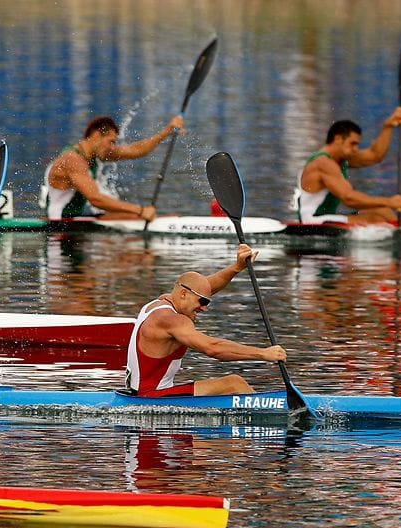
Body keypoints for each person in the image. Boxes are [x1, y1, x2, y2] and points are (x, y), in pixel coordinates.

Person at [125, 244, 287, 397]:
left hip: (143, 391)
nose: (204, 308)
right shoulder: (174, 321)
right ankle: (273, 413)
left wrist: (236, 267)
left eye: (206, 302)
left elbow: (203, 287)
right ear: (183, 294)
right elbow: (213, 348)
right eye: (202, 302)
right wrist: (264, 353)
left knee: (233, 383)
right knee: (233, 383)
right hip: (150, 397)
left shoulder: (162, 302)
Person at [41, 115, 185, 221]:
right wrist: (140, 210)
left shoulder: (92, 154)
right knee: (135, 217)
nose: (113, 147)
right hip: (60, 227)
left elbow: (136, 150)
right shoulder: (73, 160)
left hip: (75, 221)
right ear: (96, 136)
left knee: (131, 217)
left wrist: (167, 132)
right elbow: (95, 199)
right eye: (111, 142)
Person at [293, 107, 401, 224]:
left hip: (328, 218)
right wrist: (389, 201)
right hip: (312, 222)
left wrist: (388, 126)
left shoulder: (340, 159)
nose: (356, 149)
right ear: (337, 139)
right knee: (375, 219)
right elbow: (348, 198)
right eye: (352, 144)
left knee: (383, 211)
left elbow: (375, 155)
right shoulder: (323, 163)